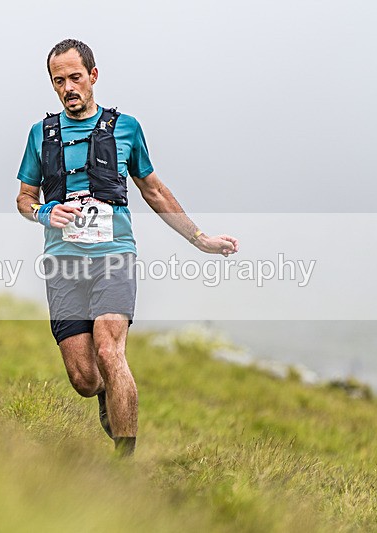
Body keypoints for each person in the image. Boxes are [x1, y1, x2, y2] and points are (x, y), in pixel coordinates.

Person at [15, 39, 239, 457]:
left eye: (76, 78)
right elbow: (24, 199)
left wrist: (200, 239)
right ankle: (104, 395)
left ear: (94, 76)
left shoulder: (127, 128)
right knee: (84, 377)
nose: (69, 88)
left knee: (109, 349)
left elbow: (153, 190)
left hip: (114, 255)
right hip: (63, 262)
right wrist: (45, 213)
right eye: (59, 81)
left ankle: (125, 466)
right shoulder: (39, 134)